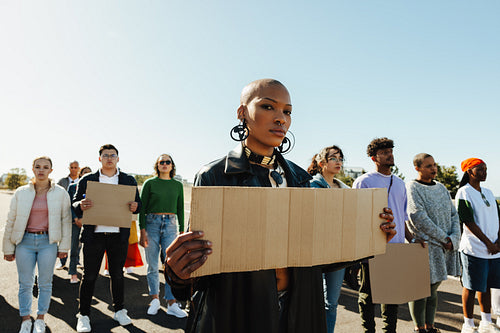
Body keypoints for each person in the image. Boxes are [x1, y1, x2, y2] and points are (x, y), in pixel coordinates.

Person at [164, 79, 396, 333]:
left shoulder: (300, 179)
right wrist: (177, 273)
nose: (281, 118)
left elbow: (316, 258)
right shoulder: (214, 175)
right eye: (268, 107)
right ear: (242, 113)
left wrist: (370, 237)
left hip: (299, 312)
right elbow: (198, 267)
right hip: (237, 314)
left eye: (287, 111)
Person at [73, 144, 141, 333]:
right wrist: (81, 204)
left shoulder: (128, 179)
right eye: (105, 155)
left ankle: (119, 310)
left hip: (117, 236)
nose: (109, 158)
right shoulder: (88, 179)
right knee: (89, 276)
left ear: (118, 159)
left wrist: (136, 206)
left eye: (113, 155)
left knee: (118, 274)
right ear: (99, 158)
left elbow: (139, 204)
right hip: (93, 235)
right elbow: (75, 203)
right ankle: (84, 315)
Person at [3, 156, 72, 333]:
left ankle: (40, 319)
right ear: (32, 169)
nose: (41, 170)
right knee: (25, 283)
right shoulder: (21, 192)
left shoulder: (60, 193)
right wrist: (8, 248)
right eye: (38, 167)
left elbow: (66, 221)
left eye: (45, 167)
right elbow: (11, 220)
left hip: (47, 242)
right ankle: (26, 320)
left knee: (45, 283)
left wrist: (63, 247)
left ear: (51, 170)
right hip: (24, 242)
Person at [352, 137, 411, 333]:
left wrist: (412, 240)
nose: (389, 155)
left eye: (390, 151)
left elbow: (402, 216)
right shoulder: (364, 181)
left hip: (396, 247)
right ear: (373, 158)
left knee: (391, 295)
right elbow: (357, 216)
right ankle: (368, 330)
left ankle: (389, 330)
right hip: (372, 247)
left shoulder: (401, 183)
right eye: (384, 152)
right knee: (368, 295)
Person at [406, 153, 461, 333]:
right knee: (420, 289)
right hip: (426, 245)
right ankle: (419, 327)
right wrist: (443, 238)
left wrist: (453, 238)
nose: (434, 169)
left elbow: (454, 214)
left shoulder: (442, 188)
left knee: (433, 287)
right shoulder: (412, 187)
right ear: (418, 168)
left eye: (434, 165)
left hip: (445, 245)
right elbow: (418, 217)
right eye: (428, 166)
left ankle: (430, 326)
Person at [307, 145, 350, 333]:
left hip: (337, 251)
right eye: (333, 158)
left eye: (340, 158)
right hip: (314, 251)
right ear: (321, 162)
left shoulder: (345, 189)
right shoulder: (310, 186)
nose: (339, 161)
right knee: (309, 302)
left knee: (331, 302)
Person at [139, 154, 186, 317]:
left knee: (171, 265)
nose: (165, 164)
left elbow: (180, 208)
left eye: (168, 162)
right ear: (157, 166)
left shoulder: (177, 185)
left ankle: (172, 303)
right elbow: (142, 208)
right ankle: (154, 299)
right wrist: (142, 230)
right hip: (151, 223)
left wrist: (181, 232)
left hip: (171, 225)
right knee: (152, 264)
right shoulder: (149, 183)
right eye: (161, 162)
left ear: (172, 166)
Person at [456, 158, 500, 333]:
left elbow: (498, 217)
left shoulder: (489, 192)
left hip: (493, 249)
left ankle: (486, 322)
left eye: (486, 169)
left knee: (487, 285)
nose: (484, 172)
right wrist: (488, 243)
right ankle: (468, 324)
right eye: (480, 169)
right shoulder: (464, 192)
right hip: (474, 248)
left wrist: (498, 242)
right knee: (471, 286)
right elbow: (467, 220)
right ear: (469, 172)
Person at [67, 166, 92, 284]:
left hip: (90, 223)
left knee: (89, 250)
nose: (87, 175)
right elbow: (69, 205)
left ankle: (89, 273)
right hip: (76, 222)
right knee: (74, 248)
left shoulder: (96, 189)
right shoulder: (72, 187)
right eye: (85, 173)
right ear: (80, 174)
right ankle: (73, 273)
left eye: (89, 173)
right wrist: (76, 218)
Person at [56, 160, 80, 269]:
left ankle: (76, 262)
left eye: (75, 167)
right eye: (72, 167)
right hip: (64, 215)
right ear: (69, 168)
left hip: (77, 217)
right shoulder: (62, 181)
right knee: (63, 239)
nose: (73, 169)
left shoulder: (82, 182)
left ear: (78, 168)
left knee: (77, 242)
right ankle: (62, 261)